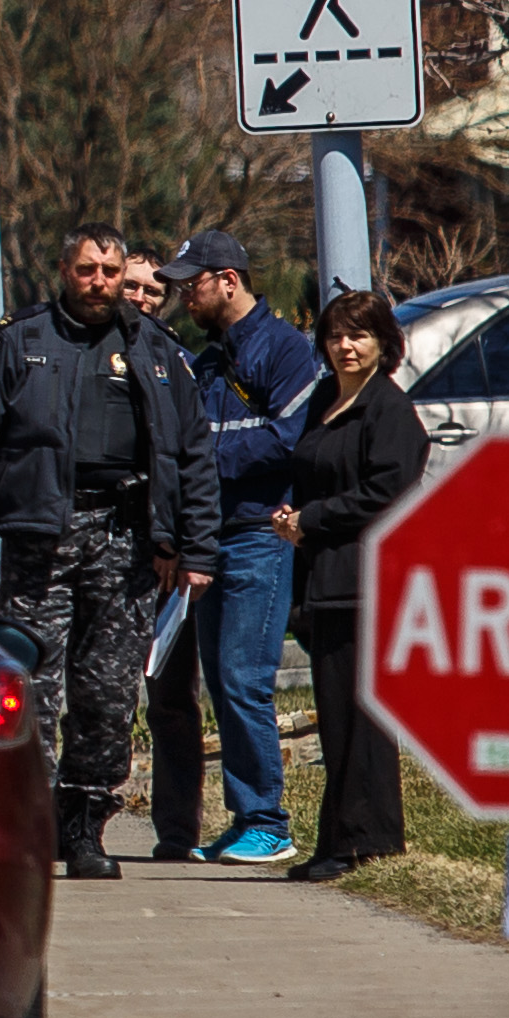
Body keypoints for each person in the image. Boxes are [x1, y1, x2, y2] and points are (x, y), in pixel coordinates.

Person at [0, 226, 217, 879]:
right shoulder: (20, 340)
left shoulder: (153, 348)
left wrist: (194, 545)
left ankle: (84, 824)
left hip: (123, 541)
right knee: (30, 692)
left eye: (108, 269)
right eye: (86, 268)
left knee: (106, 697)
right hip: (38, 539)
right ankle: (31, 819)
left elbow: (192, 453)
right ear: (63, 269)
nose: (98, 280)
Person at [142, 228, 325, 866]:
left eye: (191, 284)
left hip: (257, 537)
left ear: (229, 279)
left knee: (246, 680)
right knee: (222, 681)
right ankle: (247, 816)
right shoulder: (209, 359)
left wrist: (204, 461)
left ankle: (270, 821)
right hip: (211, 539)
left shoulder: (285, 350)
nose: (182, 296)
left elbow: (288, 440)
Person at [269, 286, 423, 882]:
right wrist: (293, 517)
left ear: (383, 342)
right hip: (323, 579)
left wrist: (314, 519)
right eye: (335, 335)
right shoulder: (325, 403)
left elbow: (387, 489)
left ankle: (366, 839)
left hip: (368, 580)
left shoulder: (388, 410)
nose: (345, 346)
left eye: (358, 334)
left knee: (362, 716)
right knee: (336, 714)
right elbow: (310, 473)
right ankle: (340, 835)